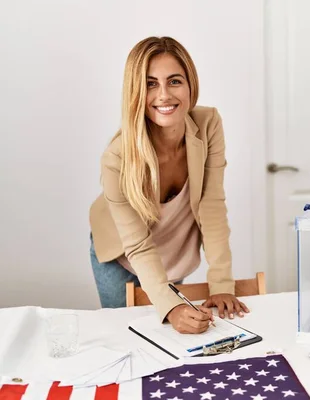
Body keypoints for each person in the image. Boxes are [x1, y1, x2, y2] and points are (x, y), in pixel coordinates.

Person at [88, 36, 249, 334]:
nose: (163, 95)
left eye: (174, 81)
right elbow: (137, 244)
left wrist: (222, 283)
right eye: (150, 84)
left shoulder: (208, 123)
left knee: (174, 337)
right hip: (121, 250)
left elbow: (211, 205)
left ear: (190, 85)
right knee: (127, 334)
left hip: (173, 246)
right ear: (135, 91)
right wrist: (171, 307)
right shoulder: (116, 158)